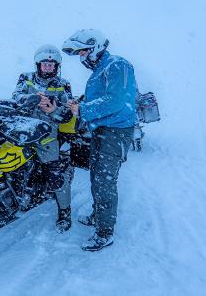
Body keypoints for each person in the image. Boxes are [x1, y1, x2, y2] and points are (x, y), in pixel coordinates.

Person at [62, 29, 137, 251]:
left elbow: (116, 101)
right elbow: (100, 98)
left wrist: (82, 108)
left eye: (83, 52)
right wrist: (78, 102)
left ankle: (105, 233)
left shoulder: (116, 65)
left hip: (116, 132)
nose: (81, 58)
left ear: (95, 48)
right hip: (101, 130)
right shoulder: (100, 70)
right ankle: (98, 215)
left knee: (105, 181)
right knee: (96, 175)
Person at [12, 44, 74, 232]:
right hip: (21, 129)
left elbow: (68, 114)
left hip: (47, 133)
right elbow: (15, 97)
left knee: (55, 175)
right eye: (44, 64)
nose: (48, 67)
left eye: (51, 64)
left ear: (57, 66)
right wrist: (30, 99)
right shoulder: (26, 78)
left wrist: (53, 110)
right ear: (38, 64)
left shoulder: (63, 85)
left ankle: (65, 211)